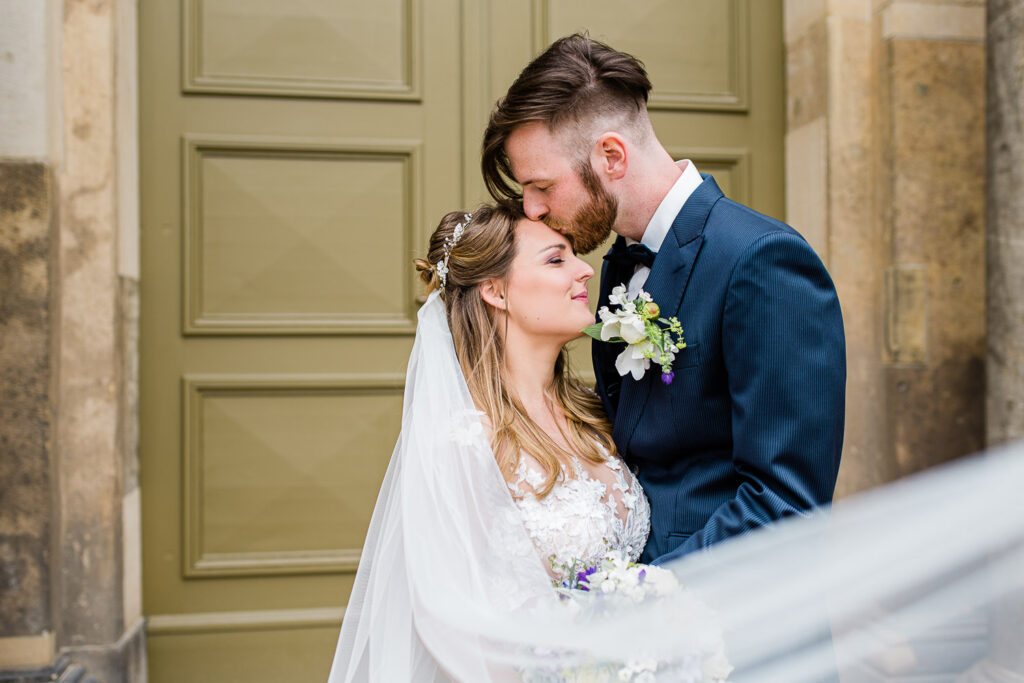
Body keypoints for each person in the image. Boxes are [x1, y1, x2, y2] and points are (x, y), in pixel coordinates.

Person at [481, 33, 847, 564]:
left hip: (736, 629)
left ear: (611, 155)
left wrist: (641, 601)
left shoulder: (762, 259)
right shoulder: (616, 264)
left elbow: (787, 504)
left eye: (542, 184)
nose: (532, 209)